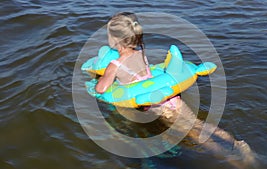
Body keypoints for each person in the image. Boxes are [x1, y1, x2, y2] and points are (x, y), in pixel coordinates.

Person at [95, 12, 258, 168]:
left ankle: (234, 162)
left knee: (196, 135)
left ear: (115, 39)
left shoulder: (114, 65)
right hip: (173, 99)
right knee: (199, 124)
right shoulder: (141, 52)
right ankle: (239, 145)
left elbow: (101, 89)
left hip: (159, 106)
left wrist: (104, 78)